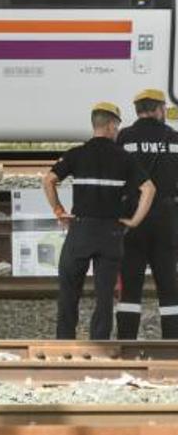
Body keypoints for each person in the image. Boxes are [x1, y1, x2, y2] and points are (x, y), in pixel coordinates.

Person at [45, 101, 155, 340]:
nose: (117, 131)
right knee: (104, 294)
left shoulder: (77, 153)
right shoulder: (124, 158)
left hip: (81, 229)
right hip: (111, 232)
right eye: (116, 126)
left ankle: (65, 341)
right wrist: (134, 221)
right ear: (110, 125)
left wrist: (58, 209)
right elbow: (149, 189)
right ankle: (100, 342)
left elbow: (49, 180)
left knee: (69, 290)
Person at [115, 89, 178, 339]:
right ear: (158, 109)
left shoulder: (125, 137)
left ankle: (127, 340)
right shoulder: (173, 138)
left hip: (133, 218)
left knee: (130, 285)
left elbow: (117, 176)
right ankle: (172, 341)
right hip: (166, 219)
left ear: (138, 110)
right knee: (168, 285)